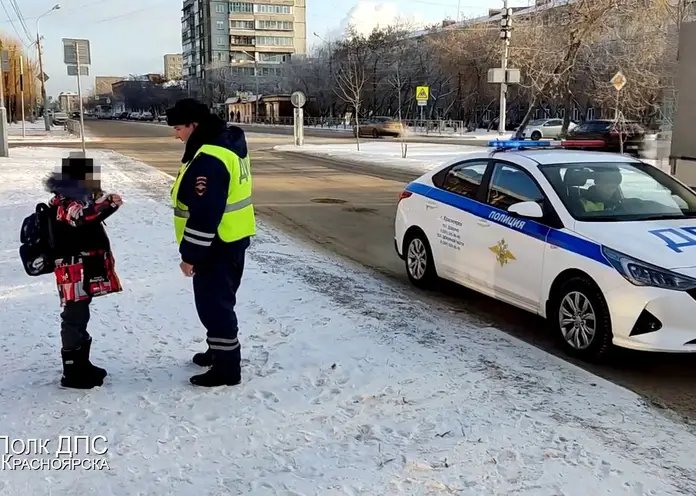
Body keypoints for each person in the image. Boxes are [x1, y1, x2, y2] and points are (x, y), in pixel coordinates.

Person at [166, 98, 255, 388]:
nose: (176, 134)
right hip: (233, 238)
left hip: (216, 245)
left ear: (194, 125)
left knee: (214, 307)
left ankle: (227, 369)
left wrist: (190, 256)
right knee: (220, 302)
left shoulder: (209, 158)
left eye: (179, 128)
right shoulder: (227, 143)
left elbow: (204, 215)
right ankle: (217, 350)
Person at [45, 155, 124, 389]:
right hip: (72, 269)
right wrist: (107, 203)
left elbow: (90, 214)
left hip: (83, 266)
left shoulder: (78, 197)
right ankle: (72, 369)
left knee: (81, 313)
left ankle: (82, 363)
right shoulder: (65, 201)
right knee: (74, 316)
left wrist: (106, 203)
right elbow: (81, 218)